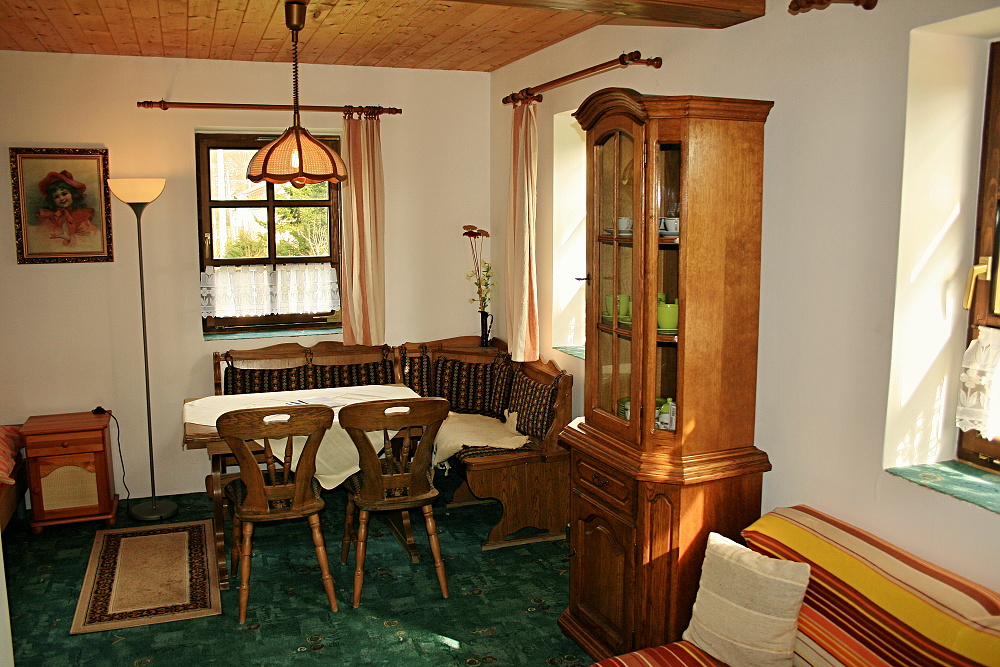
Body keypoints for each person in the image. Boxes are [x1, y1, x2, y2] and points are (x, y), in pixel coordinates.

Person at [35, 170, 98, 247]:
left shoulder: (81, 217)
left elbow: (92, 240)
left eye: (64, 194)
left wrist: (68, 238)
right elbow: (41, 239)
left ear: (73, 194)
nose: (61, 198)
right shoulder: (49, 218)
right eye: (56, 196)